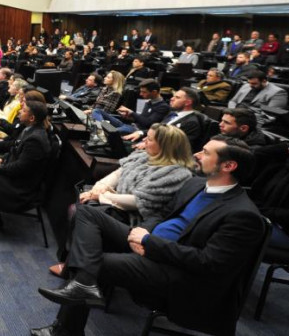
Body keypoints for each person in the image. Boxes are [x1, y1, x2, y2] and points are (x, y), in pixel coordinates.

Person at [32, 138, 265, 336]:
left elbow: (208, 263)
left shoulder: (243, 215)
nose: (196, 154)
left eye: (205, 152)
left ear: (229, 165)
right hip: (150, 241)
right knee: (87, 213)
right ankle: (82, 288)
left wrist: (149, 243)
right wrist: (141, 234)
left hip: (177, 270)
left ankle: (65, 327)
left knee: (92, 264)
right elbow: (163, 214)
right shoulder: (196, 184)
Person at [49, 124, 196, 278]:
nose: (144, 140)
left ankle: (76, 268)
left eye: (150, 139)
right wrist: (98, 188)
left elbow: (139, 201)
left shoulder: (177, 173)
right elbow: (118, 173)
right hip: (114, 202)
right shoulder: (144, 156)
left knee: (78, 212)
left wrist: (101, 197)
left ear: (165, 146)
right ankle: (74, 265)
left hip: (133, 218)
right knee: (80, 206)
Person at [0, 100, 54, 230]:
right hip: (14, 170)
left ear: (32, 118)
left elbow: (20, 168)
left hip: (21, 183)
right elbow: (14, 150)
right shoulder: (29, 129)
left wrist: (0, 167)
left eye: (24, 110)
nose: (20, 111)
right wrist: (1, 160)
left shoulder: (35, 140)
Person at [249, 129, 289, 251]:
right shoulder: (287, 163)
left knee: (236, 228)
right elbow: (259, 153)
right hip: (267, 219)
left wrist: (259, 210)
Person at [93, 79, 169, 136]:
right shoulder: (148, 102)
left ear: (154, 92)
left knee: (113, 131)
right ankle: (104, 128)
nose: (141, 94)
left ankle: (105, 130)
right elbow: (140, 119)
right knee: (97, 111)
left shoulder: (163, 107)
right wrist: (128, 117)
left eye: (144, 92)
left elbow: (147, 123)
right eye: (141, 91)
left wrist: (131, 112)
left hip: (135, 130)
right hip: (128, 124)